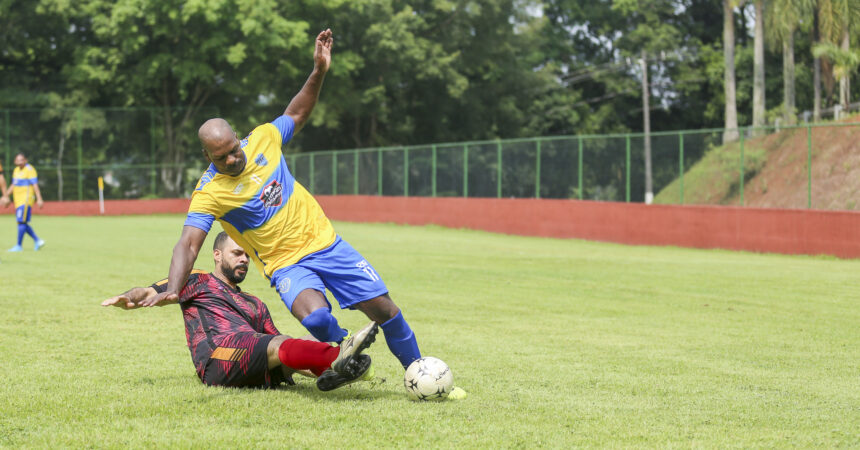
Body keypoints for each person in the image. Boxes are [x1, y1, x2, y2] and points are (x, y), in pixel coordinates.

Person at [143, 29, 465, 399]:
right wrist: (172, 287)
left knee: (386, 311)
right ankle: (346, 350)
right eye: (221, 157)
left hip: (327, 244)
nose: (232, 159)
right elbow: (188, 242)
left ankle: (422, 374)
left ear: (237, 136)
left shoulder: (264, 138)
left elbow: (297, 111)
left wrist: (319, 71)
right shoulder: (209, 192)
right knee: (314, 318)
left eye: (233, 149)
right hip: (284, 264)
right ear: (207, 157)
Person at [103, 232, 379, 390]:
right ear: (217, 255)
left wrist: (323, 373)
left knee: (281, 347)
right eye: (237, 253)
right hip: (217, 358)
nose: (244, 260)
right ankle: (337, 356)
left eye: (247, 255)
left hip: (249, 359)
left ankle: (339, 366)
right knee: (276, 345)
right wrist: (129, 297)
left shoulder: (255, 303)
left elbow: (283, 352)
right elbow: (151, 292)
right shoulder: (196, 280)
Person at [3, 153, 45, 252]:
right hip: (18, 201)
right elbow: (13, 185)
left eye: (22, 160)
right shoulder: (16, 170)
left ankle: (19, 245)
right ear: (15, 161)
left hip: (25, 200)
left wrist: (39, 198)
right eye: (18, 160)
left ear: (25, 160)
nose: (20, 162)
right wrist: (5, 196)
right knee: (22, 222)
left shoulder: (30, 170)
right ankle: (37, 240)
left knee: (21, 221)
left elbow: (35, 185)